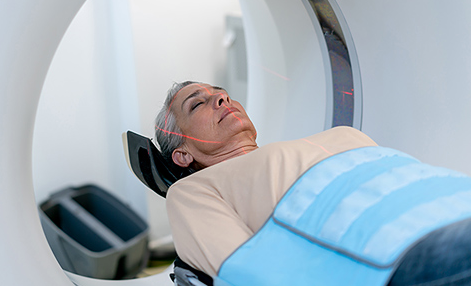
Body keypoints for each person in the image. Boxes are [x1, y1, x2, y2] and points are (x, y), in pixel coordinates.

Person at [155, 81, 471, 285]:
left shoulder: (343, 134)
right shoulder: (192, 190)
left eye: (220, 92)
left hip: (455, 199)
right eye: (197, 103)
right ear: (181, 155)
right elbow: (247, 273)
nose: (222, 97)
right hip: (401, 248)